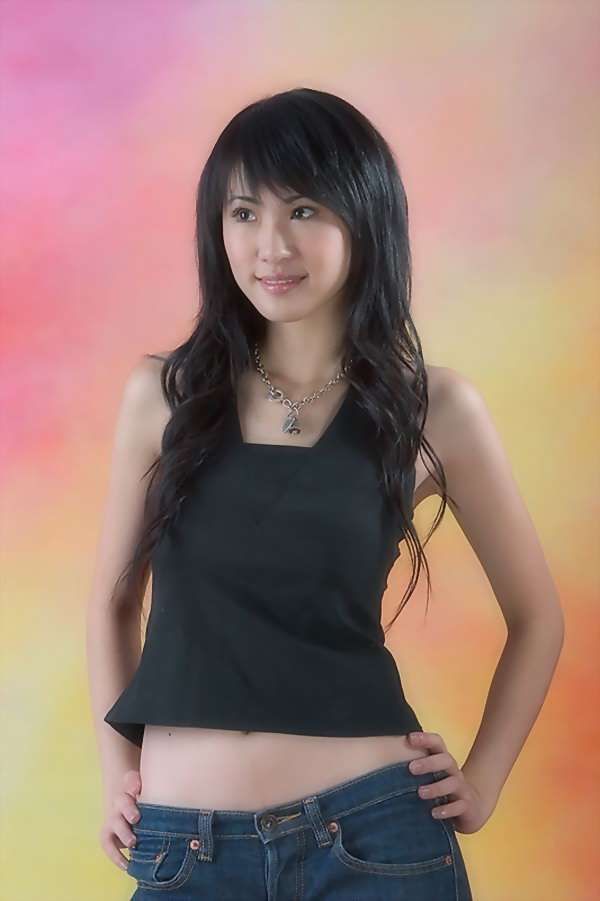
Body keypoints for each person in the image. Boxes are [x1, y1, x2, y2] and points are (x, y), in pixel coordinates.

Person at [86, 87, 564, 899]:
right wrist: (117, 770)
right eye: (244, 213)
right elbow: (112, 601)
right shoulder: (162, 395)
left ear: (364, 218)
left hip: (377, 840)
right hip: (184, 851)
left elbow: (538, 615)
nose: (271, 245)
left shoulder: (435, 409)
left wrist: (482, 781)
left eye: (303, 209)